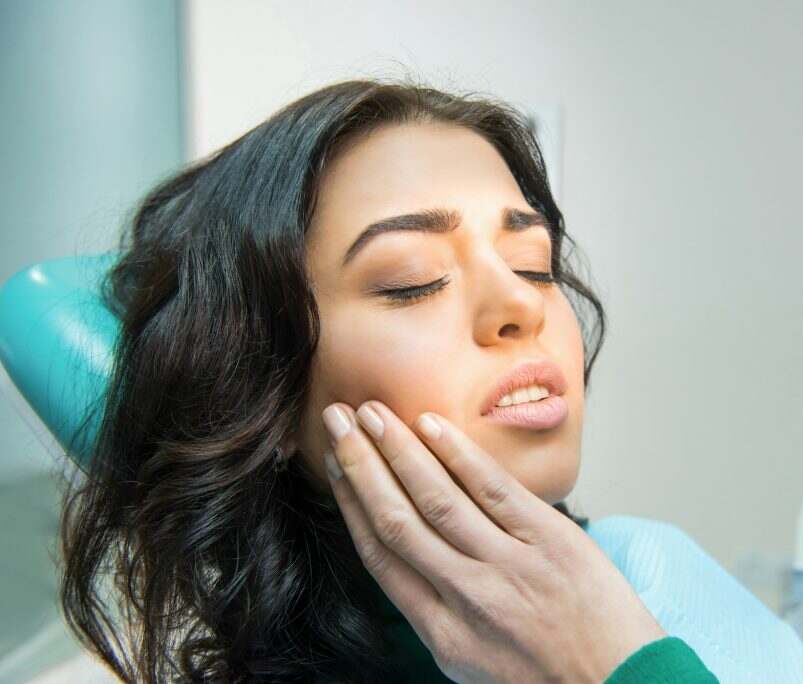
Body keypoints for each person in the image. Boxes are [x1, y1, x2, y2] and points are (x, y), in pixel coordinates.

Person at [59, 78, 717, 682]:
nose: (521, 304)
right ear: (271, 398)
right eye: (413, 280)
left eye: (533, 263)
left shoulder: (660, 571)